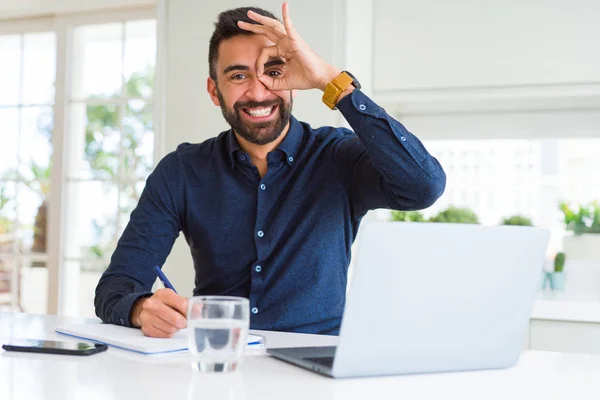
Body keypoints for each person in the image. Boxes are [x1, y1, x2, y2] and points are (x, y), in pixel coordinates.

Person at [94, 3, 446, 337]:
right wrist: (141, 308)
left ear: (293, 78)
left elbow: (423, 186)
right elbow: (116, 286)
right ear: (214, 91)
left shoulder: (338, 156)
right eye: (238, 76)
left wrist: (330, 80)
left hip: (317, 372)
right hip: (221, 361)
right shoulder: (181, 171)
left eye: (274, 72)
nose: (258, 91)